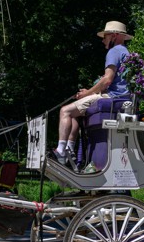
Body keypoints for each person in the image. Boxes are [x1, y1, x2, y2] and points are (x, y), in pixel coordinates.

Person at [54, 21, 133, 160]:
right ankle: (70, 148)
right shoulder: (126, 52)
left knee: (65, 111)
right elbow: (116, 82)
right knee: (75, 113)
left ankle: (61, 151)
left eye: (105, 37)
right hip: (119, 96)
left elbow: (107, 80)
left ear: (114, 36)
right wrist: (92, 92)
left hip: (111, 97)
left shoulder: (114, 51)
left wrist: (87, 93)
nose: (103, 41)